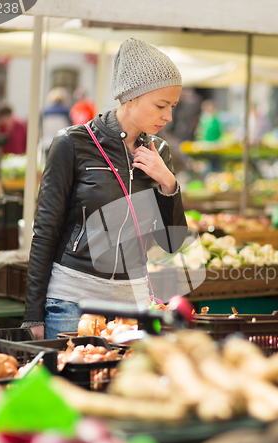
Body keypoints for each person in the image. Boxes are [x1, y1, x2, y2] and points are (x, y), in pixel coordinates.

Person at [22, 38, 188, 340]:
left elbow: (171, 243)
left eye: (173, 106)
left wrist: (169, 184)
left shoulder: (159, 153)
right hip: (73, 300)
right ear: (130, 97)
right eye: (161, 105)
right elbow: (45, 229)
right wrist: (33, 313)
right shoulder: (72, 143)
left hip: (134, 306)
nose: (169, 117)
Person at [41, 87, 72, 158]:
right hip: (62, 142)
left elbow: (41, 127)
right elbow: (70, 126)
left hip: (47, 141)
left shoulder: (45, 112)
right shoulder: (66, 112)